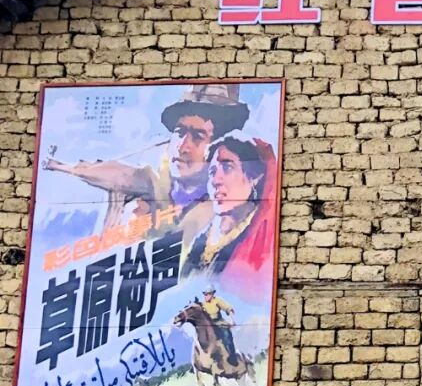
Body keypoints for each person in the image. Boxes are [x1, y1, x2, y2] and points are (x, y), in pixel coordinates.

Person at [44, 83, 250, 244]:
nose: (182, 147)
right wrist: (65, 168)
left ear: (217, 146)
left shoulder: (227, 204)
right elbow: (120, 175)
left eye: (198, 136)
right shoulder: (152, 182)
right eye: (180, 133)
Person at [181, 132, 278, 296]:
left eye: (227, 167)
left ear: (254, 177)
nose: (216, 180)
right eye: (212, 172)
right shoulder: (200, 242)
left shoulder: (261, 240)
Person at [200, 285, 239, 364]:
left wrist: (232, 320)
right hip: (209, 325)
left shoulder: (217, 300)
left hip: (219, 323)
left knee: (227, 336)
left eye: (207, 294)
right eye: (204, 294)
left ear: (212, 294)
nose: (205, 296)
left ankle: (232, 356)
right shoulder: (202, 304)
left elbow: (228, 309)